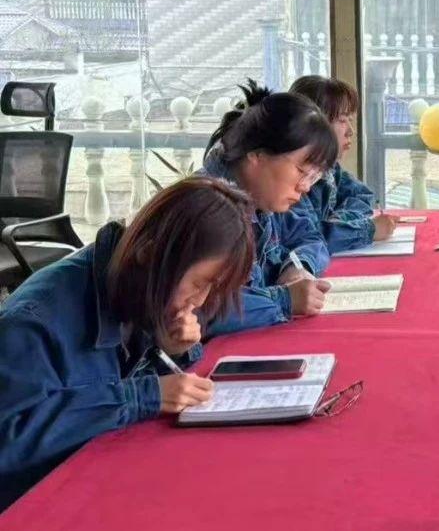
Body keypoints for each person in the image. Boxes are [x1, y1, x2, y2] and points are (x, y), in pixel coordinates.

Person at [0, 178, 257, 510]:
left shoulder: (134, 286)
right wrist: (141, 397)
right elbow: (9, 438)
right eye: (199, 284)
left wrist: (167, 347)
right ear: (150, 252)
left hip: (98, 479)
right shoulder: (37, 321)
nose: (200, 300)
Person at [200, 80, 336, 332]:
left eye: (314, 177)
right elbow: (195, 310)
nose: (305, 187)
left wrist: (297, 267)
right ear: (257, 154)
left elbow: (309, 236)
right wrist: (284, 300)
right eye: (302, 171)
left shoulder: (261, 198)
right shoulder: (205, 212)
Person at [288, 75, 397, 253]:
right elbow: (308, 238)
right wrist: (367, 230)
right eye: (342, 120)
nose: (351, 131)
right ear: (314, 124)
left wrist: (339, 221)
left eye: (350, 121)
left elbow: (362, 195)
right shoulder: (291, 180)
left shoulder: (328, 168)